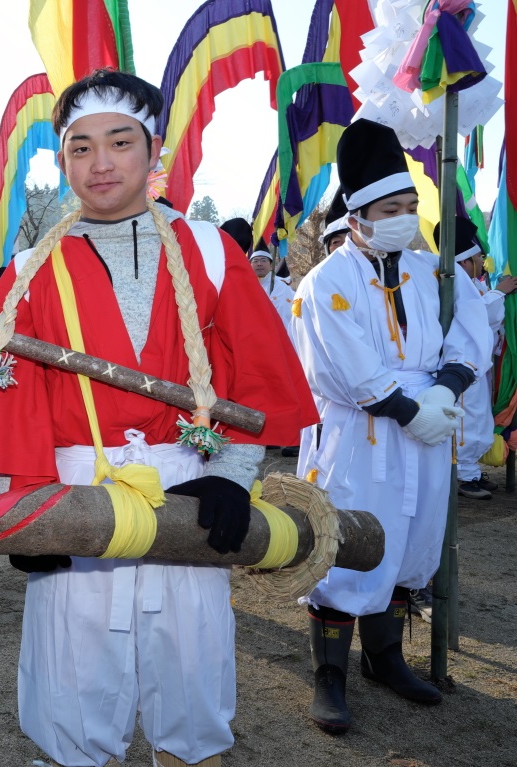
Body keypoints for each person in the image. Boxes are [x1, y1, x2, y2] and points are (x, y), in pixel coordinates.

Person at [0, 68, 317, 767]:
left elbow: (256, 375)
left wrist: (229, 472)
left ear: (153, 149)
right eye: (79, 147)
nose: (100, 163)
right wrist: (26, 506)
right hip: (76, 496)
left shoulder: (209, 252)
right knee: (73, 708)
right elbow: (17, 399)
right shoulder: (30, 269)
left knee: (193, 701)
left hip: (191, 492)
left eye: (119, 142)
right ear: (63, 156)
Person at [290, 119, 491, 735]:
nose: (406, 217)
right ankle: (330, 674)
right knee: (349, 545)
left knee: (411, 542)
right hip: (361, 436)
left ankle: (386, 658)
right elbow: (344, 362)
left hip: (428, 431)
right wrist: (407, 409)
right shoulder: (330, 281)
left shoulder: (433, 272)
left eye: (411, 206)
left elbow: (470, 331)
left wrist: (447, 390)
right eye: (391, 208)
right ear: (358, 213)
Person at [433, 216, 516, 500]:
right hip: (461, 365)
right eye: (478, 257)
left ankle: (471, 470)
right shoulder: (451, 283)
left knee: (479, 419)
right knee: (467, 420)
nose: (482, 262)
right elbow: (478, 316)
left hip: (479, 364)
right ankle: (463, 474)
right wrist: (498, 293)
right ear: (465, 262)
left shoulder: (473, 284)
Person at [250, 249, 295, 330]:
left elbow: (283, 314)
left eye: (263, 260)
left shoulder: (279, 285)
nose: (259, 264)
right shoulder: (247, 285)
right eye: (255, 261)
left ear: (271, 265)